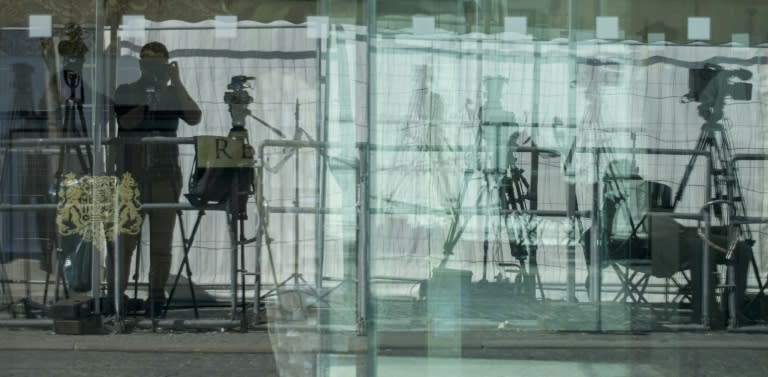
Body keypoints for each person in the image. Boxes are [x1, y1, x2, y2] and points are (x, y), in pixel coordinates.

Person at [108, 41, 201, 314]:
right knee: (124, 239)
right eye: (148, 63)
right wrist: (147, 100)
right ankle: (116, 295)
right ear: (140, 64)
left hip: (164, 173)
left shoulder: (172, 93)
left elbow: (194, 117)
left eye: (158, 64)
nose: (152, 68)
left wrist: (176, 83)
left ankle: (156, 295)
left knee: (162, 240)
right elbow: (126, 123)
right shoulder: (126, 91)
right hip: (131, 176)